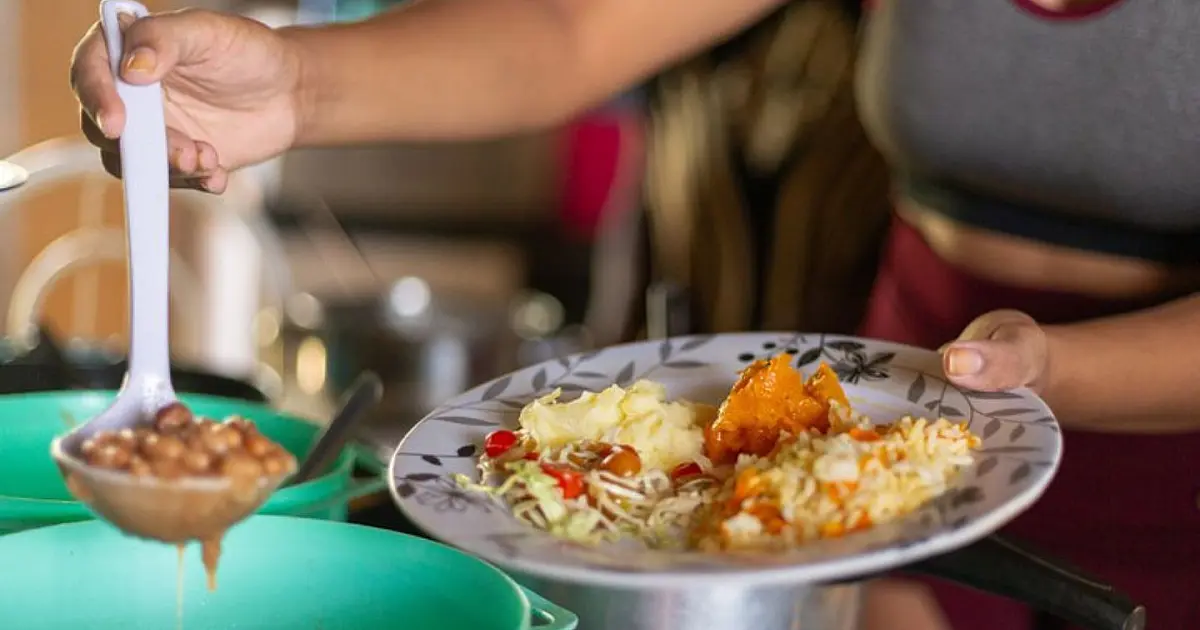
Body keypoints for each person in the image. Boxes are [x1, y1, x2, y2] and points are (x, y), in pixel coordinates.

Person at [71, 1, 1200, 628]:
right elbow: (574, 30)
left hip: (1142, 463)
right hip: (897, 455)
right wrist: (299, 84)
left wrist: (1042, 372)